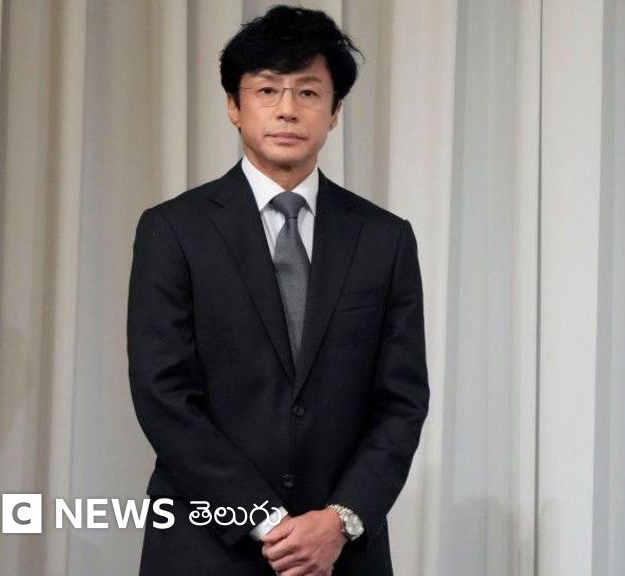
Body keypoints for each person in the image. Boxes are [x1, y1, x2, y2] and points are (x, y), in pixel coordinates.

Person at [127, 5, 429, 575]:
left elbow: (403, 401)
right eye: (267, 90)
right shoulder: (174, 230)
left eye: (308, 92)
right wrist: (265, 519)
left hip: (340, 553)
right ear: (233, 106)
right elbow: (162, 394)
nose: (288, 109)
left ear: (334, 111)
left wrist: (340, 520)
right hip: (207, 547)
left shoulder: (384, 238)